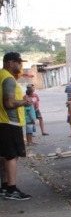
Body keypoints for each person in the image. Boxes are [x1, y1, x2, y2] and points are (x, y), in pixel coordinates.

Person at [0, 52, 32, 200]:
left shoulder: (1, 75)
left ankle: (5, 186)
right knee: (12, 156)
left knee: (3, 155)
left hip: (2, 122)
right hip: (10, 123)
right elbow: (10, 103)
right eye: (19, 63)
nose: (21, 66)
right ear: (11, 63)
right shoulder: (8, 79)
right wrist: (26, 102)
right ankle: (12, 189)